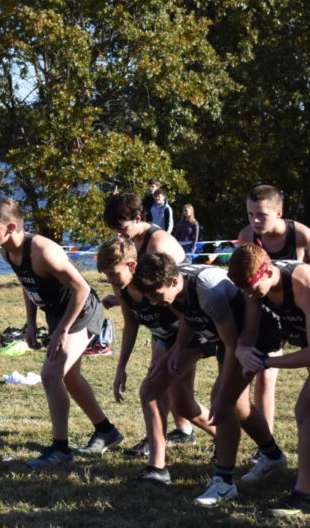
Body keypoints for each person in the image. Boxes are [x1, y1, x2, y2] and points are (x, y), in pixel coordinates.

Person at [132, 252, 285, 507]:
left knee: (223, 401)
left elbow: (232, 343)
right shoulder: (171, 287)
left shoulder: (208, 291)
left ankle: (224, 482)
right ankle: (273, 455)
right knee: (238, 406)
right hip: (225, 336)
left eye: (156, 295)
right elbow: (187, 317)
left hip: (252, 337)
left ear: (173, 281)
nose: (154, 302)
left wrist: (223, 393)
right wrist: (179, 348)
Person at [0, 198, 122, 468]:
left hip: (82, 312)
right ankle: (106, 431)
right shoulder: (7, 252)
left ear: (11, 227)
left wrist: (63, 331)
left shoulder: (44, 251)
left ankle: (61, 449)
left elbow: (81, 289)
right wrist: (31, 324)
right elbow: (28, 285)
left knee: (50, 374)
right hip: (58, 314)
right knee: (69, 377)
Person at [96, 238, 215, 486]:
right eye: (107, 275)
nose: (111, 280)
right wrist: (121, 368)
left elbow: (187, 319)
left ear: (131, 265)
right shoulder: (123, 290)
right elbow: (131, 325)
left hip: (188, 339)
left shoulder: (154, 286)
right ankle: (224, 437)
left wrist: (176, 352)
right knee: (182, 406)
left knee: (150, 391)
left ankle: (157, 468)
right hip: (164, 342)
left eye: (113, 274)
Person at [103, 192, 196, 444]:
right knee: (165, 387)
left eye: (122, 228)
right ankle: (176, 433)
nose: (119, 235)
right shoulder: (129, 244)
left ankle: (174, 436)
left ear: (137, 217)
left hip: (184, 320)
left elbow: (174, 290)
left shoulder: (158, 243)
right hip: (160, 324)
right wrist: (123, 296)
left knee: (167, 388)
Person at [228, 243, 310, 515]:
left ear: (268, 270)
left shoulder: (302, 283)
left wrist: (268, 362)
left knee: (306, 411)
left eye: (252, 288)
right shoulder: (255, 288)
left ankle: (303, 496)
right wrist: (242, 349)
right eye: (244, 290)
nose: (249, 295)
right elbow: (250, 332)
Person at [236, 184, 310, 437]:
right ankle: (267, 448)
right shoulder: (247, 237)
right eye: (250, 214)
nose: (255, 220)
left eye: (261, 215)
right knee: (264, 373)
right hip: (270, 311)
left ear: (279, 213)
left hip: (302, 308)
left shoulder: (301, 235)